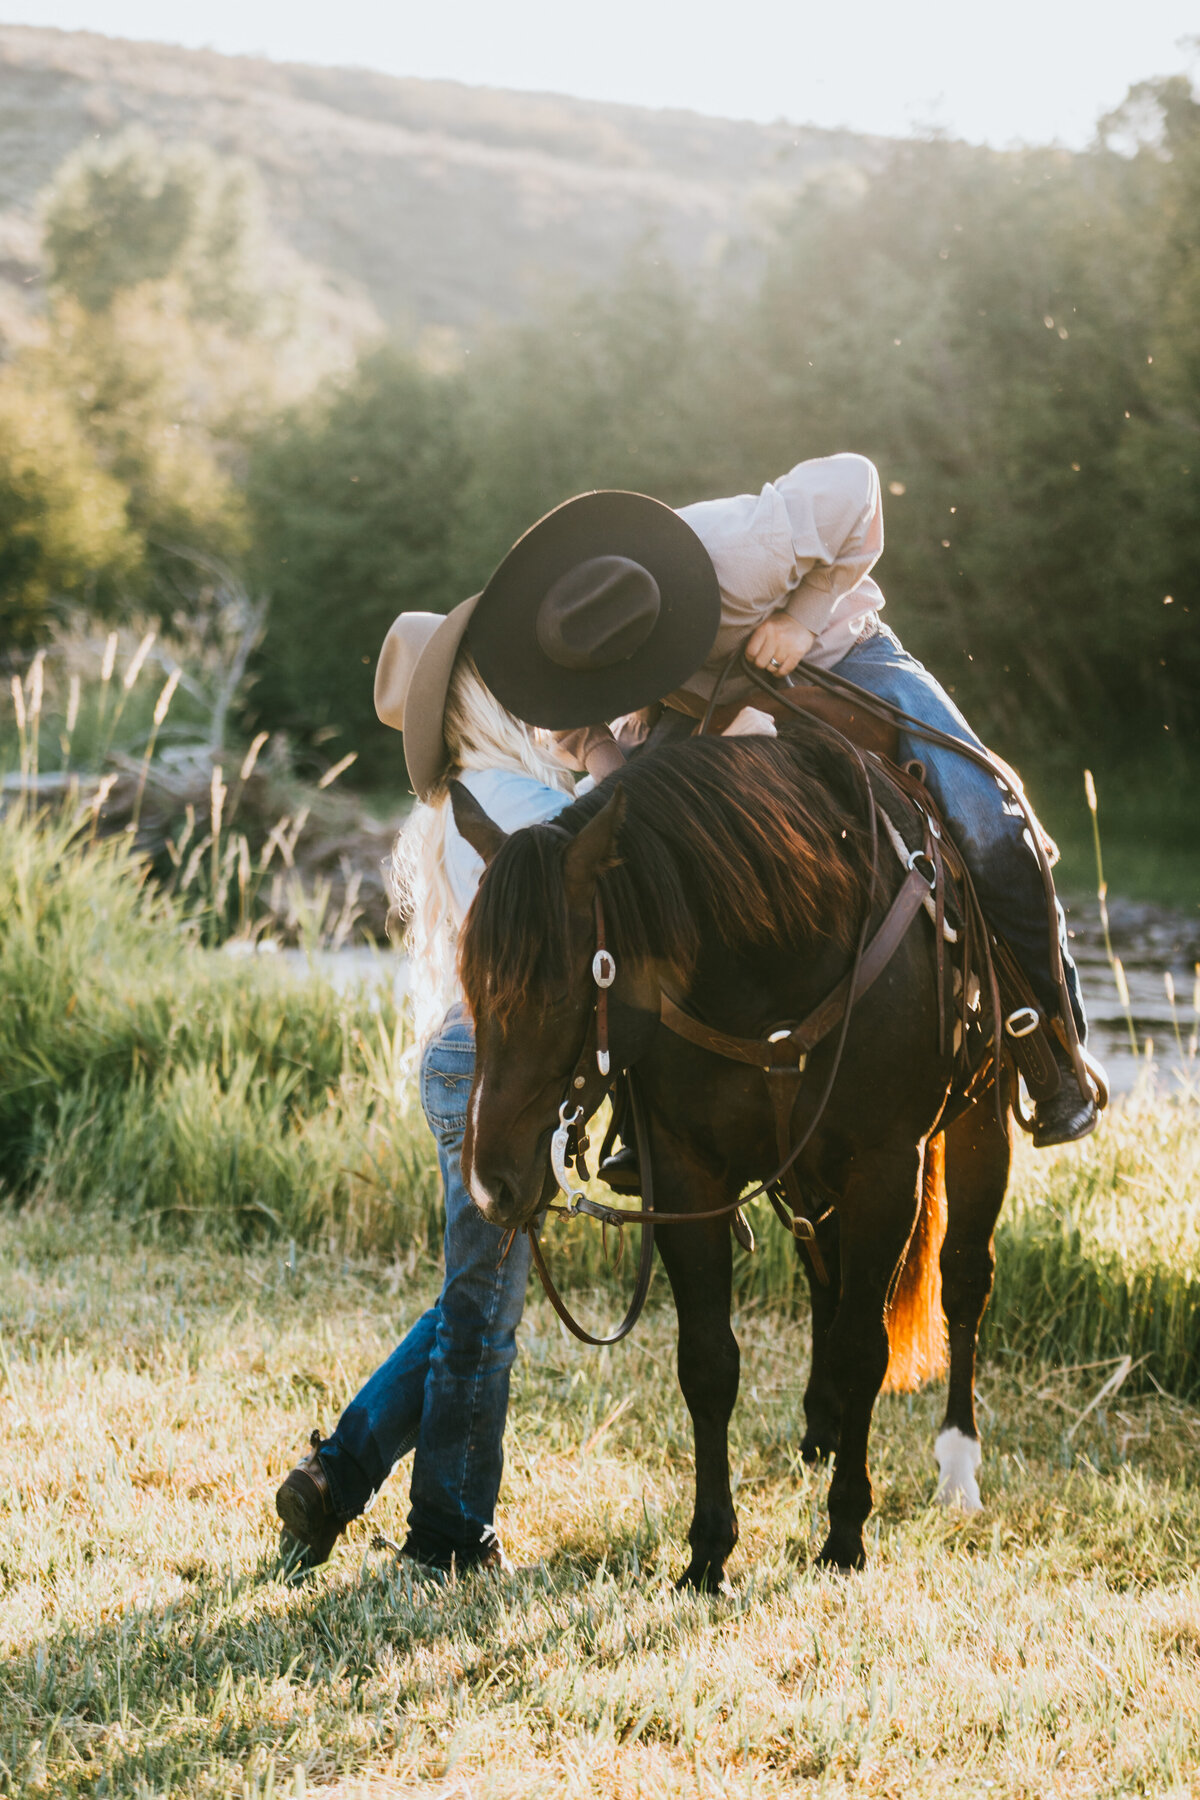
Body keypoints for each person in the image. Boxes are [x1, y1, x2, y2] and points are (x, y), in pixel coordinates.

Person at [275, 575, 718, 1575]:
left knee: (470, 1297)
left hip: (467, 1055)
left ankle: (337, 1475)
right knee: (481, 1315)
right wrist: (615, 748)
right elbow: (634, 825)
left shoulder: (471, 800)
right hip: (491, 1063)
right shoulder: (520, 803)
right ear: (482, 696)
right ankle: (445, 1537)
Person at [465, 453, 1100, 1149]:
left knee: (987, 820)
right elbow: (574, 728)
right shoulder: (566, 632)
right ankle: (643, 1118)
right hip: (691, 701)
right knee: (633, 874)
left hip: (840, 655)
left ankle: (1054, 1043)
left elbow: (856, 482)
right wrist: (621, 787)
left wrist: (803, 616)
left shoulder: (739, 553)